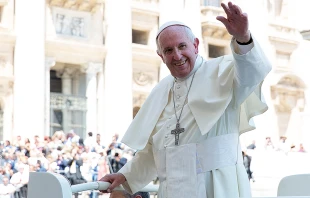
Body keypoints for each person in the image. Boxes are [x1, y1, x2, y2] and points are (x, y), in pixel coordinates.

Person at [99, 2, 272, 198]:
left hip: (217, 188)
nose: (177, 55)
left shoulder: (223, 72)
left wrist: (243, 38)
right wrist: (125, 176)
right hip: (172, 190)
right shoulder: (161, 91)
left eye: (182, 46)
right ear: (161, 56)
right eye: (168, 50)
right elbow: (155, 151)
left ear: (196, 45)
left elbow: (254, 73)